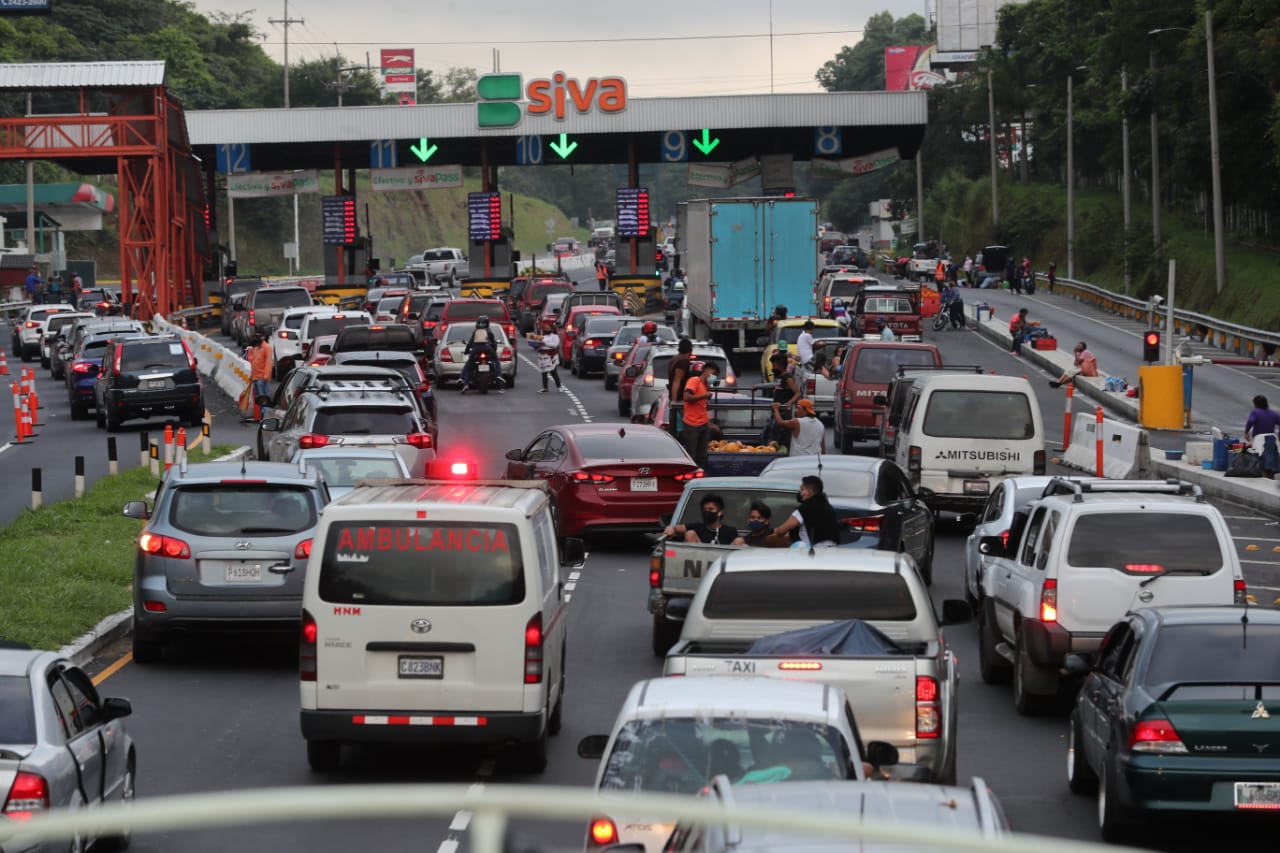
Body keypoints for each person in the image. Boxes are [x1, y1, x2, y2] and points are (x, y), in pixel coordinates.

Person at [767, 475, 840, 549]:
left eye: (802, 489)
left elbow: (781, 531)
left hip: (813, 553)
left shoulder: (804, 508)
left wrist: (773, 533)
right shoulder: (829, 507)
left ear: (808, 492)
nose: (800, 493)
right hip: (832, 552)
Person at [662, 493, 738, 545]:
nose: (707, 512)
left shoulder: (730, 531)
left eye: (711, 509)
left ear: (720, 512)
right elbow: (678, 528)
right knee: (690, 533)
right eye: (705, 509)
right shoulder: (698, 527)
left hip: (720, 565)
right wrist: (670, 528)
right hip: (697, 564)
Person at [681, 360, 715, 468]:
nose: (713, 377)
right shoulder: (694, 380)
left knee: (702, 456)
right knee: (692, 456)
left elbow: (701, 407)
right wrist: (704, 395)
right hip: (692, 424)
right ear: (705, 370)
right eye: (713, 374)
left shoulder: (705, 386)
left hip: (703, 424)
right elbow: (686, 397)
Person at [769, 351, 801, 447]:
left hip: (783, 414)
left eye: (774, 365)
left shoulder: (788, 378)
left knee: (781, 438)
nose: (772, 368)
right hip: (776, 411)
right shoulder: (779, 377)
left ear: (780, 365)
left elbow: (798, 393)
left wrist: (789, 403)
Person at [461, 315, 498, 393]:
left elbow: (470, 342)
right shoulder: (489, 331)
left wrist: (466, 351)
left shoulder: (476, 331)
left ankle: (465, 382)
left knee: (469, 365)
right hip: (487, 350)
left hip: (476, 350)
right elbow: (494, 343)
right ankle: (498, 377)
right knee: (496, 362)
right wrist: (494, 350)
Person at [1246, 395, 1280, 477]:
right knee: (1272, 458)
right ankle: (1271, 475)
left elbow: (1251, 421)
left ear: (1255, 404)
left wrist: (1246, 432)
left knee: (1261, 458)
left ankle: (1264, 475)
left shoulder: (1255, 412)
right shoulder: (1273, 413)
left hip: (1260, 439)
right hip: (1272, 438)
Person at [246, 333, 274, 421]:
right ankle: (263, 415)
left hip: (262, 377)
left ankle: (266, 416)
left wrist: (266, 375)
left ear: (263, 337)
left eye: (257, 336)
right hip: (256, 377)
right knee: (260, 397)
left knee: (264, 397)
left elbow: (269, 363)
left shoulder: (267, 348)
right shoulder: (256, 348)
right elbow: (254, 362)